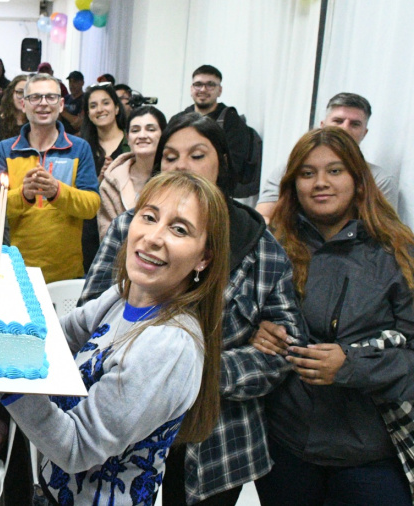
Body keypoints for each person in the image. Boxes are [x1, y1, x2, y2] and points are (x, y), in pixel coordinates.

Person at [80, 112, 305, 505]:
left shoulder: (256, 240)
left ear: (222, 161)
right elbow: (91, 317)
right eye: (170, 156)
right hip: (125, 419)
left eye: (197, 155)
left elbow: (286, 346)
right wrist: (166, 364)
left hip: (220, 438)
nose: (183, 166)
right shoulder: (131, 228)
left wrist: (201, 371)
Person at [5, 170, 228, 505]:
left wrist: (6, 372)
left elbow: (76, 447)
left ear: (204, 258)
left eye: (179, 229)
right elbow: (59, 336)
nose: (154, 237)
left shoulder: (167, 346)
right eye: (149, 217)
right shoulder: (122, 296)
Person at [250, 127, 414, 505]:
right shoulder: (269, 248)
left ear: (359, 182)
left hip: (369, 457)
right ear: (293, 186)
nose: (320, 183)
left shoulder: (397, 253)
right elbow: (232, 325)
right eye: (307, 173)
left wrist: (352, 365)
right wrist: (257, 331)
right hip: (284, 450)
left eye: (335, 171)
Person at [0, 73, 100, 284]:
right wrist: (24, 194)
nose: (43, 104)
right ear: (23, 104)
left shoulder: (79, 148)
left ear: (60, 105)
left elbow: (91, 206)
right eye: (35, 97)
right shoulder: (6, 150)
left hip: (66, 275)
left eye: (50, 97)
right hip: (15, 271)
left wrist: (56, 192)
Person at [256, 92, 399, 221]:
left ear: (364, 132)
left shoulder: (379, 179)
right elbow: (263, 218)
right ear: (323, 126)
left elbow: (383, 232)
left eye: (355, 124)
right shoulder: (289, 170)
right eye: (338, 121)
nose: (344, 128)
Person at [171, 65, 253, 200]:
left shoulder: (231, 121)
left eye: (210, 85)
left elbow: (234, 165)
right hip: (178, 190)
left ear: (219, 90)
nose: (203, 89)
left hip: (215, 195)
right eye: (198, 84)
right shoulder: (178, 119)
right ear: (191, 89)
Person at [78, 82, 129, 272]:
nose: (100, 109)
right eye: (93, 106)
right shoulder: (82, 148)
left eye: (105, 103)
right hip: (89, 229)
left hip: (122, 225)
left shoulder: (132, 143)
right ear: (88, 114)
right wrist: (98, 181)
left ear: (116, 108)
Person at [98, 106, 167, 239]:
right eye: (135, 130)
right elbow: (107, 236)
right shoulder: (111, 182)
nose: (142, 135)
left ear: (163, 135)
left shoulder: (175, 177)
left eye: (150, 129)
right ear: (128, 138)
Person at [60, 70, 85, 134]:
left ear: (82, 83)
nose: (72, 85)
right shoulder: (66, 98)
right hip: (63, 135)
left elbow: (78, 123)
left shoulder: (85, 99)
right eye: (70, 81)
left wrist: (62, 111)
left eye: (75, 82)